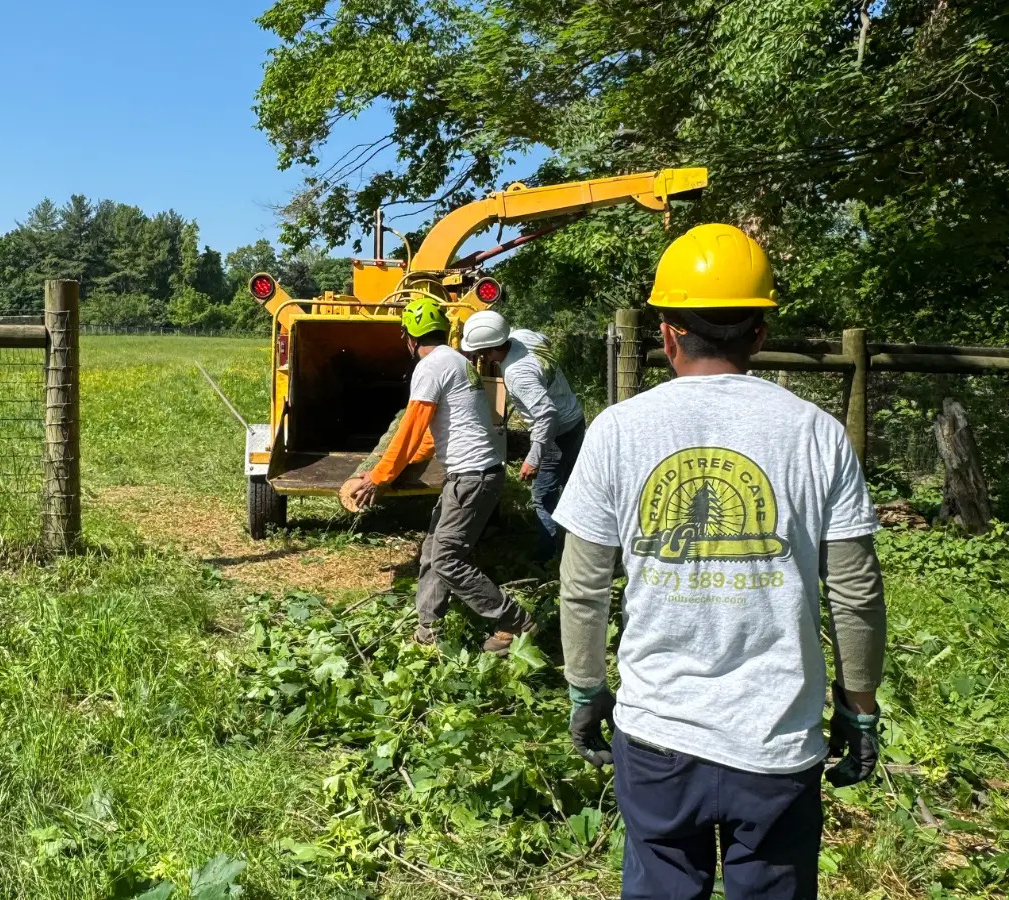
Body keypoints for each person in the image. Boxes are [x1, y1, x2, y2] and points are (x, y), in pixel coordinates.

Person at [553, 224, 886, 899]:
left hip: (656, 739)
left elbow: (583, 587)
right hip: (777, 741)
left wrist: (587, 691)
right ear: (760, 332)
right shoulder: (816, 432)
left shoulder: (618, 430)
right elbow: (854, 592)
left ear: (666, 333)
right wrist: (860, 709)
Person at [350, 296, 535, 655]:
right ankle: (427, 634)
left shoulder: (431, 366)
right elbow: (433, 436)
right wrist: (395, 469)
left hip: (472, 477)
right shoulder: (455, 360)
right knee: (434, 553)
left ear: (409, 337)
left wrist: (379, 477)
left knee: (448, 558)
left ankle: (513, 619)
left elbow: (410, 429)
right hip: (475, 476)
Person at [461, 311, 586, 561]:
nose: (481, 357)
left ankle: (548, 560)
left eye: (481, 352)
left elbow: (547, 415)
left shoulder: (517, 374)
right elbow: (545, 341)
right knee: (572, 486)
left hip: (556, 433)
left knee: (542, 496)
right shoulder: (523, 337)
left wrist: (533, 457)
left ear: (490, 349)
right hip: (575, 419)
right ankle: (579, 541)